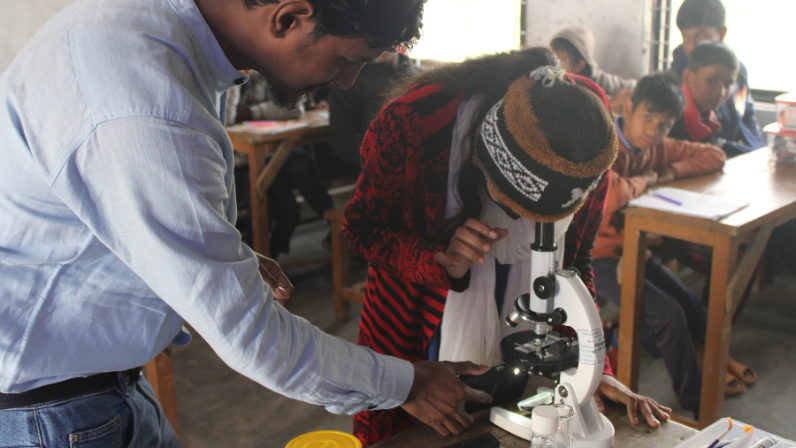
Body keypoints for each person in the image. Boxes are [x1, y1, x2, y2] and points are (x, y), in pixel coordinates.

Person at [0, 0, 496, 446]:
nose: (346, 82)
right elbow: (250, 333)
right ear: (289, 17)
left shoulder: (146, 30)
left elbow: (99, 212)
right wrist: (409, 384)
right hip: (59, 411)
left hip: (98, 388)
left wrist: (217, 250)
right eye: (347, 61)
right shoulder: (147, 104)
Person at [342, 48, 671, 446]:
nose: (524, 227)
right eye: (518, 212)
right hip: (418, 317)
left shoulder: (589, 138)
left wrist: (592, 369)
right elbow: (361, 229)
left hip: (516, 325)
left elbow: (576, 260)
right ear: (485, 160)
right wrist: (435, 258)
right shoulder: (413, 122)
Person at [591, 72, 735, 416]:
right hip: (595, 258)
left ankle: (635, 335)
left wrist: (669, 173)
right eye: (647, 117)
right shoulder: (603, 143)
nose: (654, 130)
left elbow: (714, 155)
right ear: (628, 108)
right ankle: (699, 407)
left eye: (665, 125)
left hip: (635, 249)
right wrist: (648, 179)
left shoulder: (657, 148)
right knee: (668, 315)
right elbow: (613, 195)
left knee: (692, 308)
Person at [234, 70, 335, 259]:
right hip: (236, 163)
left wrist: (252, 112)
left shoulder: (263, 74)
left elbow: (293, 109)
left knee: (290, 205)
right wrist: (264, 112)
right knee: (271, 207)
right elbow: (228, 117)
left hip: (265, 154)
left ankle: (335, 223)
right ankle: (255, 266)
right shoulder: (226, 84)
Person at [670, 0, 765, 158]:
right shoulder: (679, 76)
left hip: (737, 152)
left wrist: (760, 153)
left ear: (721, 33)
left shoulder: (737, 72)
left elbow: (746, 117)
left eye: (700, 37)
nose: (691, 46)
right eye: (686, 38)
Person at [328, 51, 418, 167]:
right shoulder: (349, 81)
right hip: (378, 165)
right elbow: (343, 140)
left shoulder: (416, 73)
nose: (383, 47)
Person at [668, 41, 739, 151]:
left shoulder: (715, 116)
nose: (720, 93)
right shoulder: (669, 117)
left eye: (727, 85)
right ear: (687, 78)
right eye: (712, 81)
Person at [550, 25, 636, 113]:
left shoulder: (600, 81)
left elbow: (634, 86)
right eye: (551, 56)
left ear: (580, 65)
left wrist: (613, 101)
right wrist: (607, 105)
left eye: (561, 60)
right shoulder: (548, 82)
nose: (553, 65)